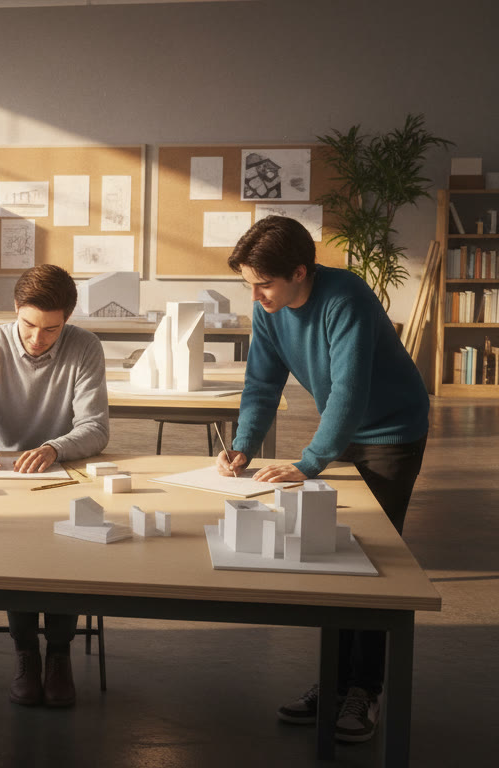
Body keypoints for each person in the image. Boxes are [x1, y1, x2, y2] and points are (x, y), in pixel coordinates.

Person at [217, 215, 429, 743]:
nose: (257, 295)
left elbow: (349, 392)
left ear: (300, 271)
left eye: (264, 284)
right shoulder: (268, 305)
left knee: (371, 563)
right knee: (331, 557)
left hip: (391, 433)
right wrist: (242, 445)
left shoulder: (345, 298)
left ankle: (364, 690)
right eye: (249, 284)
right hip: (344, 430)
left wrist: (311, 461)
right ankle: (333, 683)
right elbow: (262, 381)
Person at [0, 264, 109, 708]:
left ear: (67, 321)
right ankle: (25, 653)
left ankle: (58, 654)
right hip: (8, 474)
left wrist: (54, 448)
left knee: (68, 550)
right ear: (15, 309)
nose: (37, 338)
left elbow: (95, 428)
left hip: (65, 473)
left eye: (51, 330)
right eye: (28, 325)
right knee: (14, 553)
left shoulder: (86, 347)